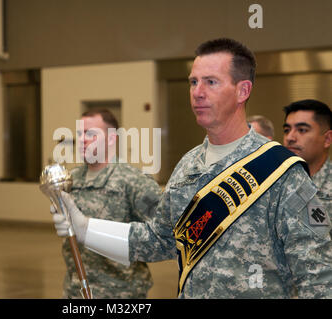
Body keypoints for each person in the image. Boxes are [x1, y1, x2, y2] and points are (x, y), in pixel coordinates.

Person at [54, 38, 332, 298]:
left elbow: (317, 275)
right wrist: (85, 228)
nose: (197, 93)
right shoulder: (188, 165)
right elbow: (159, 239)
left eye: (211, 82)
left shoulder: (282, 171)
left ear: (242, 90)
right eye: (193, 82)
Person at [52, 109, 161, 298]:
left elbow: (162, 234)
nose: (83, 139)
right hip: (76, 291)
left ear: (111, 139)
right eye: (79, 134)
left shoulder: (133, 181)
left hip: (121, 293)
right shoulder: (71, 180)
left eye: (90, 133)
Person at [283, 99, 331, 224]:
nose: (290, 138)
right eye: (287, 130)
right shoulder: (275, 182)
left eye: (302, 130)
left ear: (327, 139)